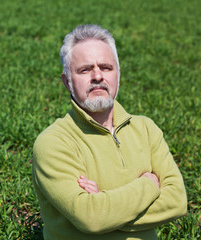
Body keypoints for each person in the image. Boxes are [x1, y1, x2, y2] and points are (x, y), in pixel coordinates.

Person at [32, 24, 187, 240]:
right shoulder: (53, 142)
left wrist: (105, 205)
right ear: (67, 82)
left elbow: (177, 202)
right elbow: (92, 218)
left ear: (118, 74)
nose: (97, 76)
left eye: (106, 67)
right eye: (85, 70)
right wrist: (149, 185)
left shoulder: (146, 129)